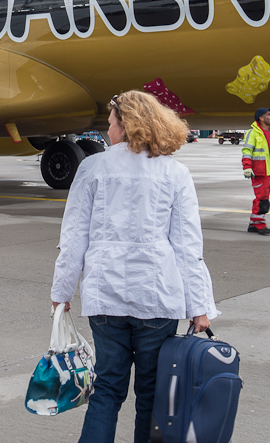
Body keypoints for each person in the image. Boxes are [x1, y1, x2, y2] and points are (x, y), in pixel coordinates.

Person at [50, 90, 219, 443]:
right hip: (157, 297)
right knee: (151, 394)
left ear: (126, 125)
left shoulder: (92, 168)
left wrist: (62, 293)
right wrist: (199, 306)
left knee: (107, 389)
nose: (107, 130)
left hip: (105, 297)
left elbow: (74, 237)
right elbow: (187, 246)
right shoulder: (175, 173)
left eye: (111, 123)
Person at [241, 107, 270, 235]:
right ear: (261, 118)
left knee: (262, 198)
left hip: (268, 171)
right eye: (269, 114)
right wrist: (247, 167)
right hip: (259, 172)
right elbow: (247, 151)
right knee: (262, 199)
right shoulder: (253, 133)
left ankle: (253, 224)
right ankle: (260, 224)